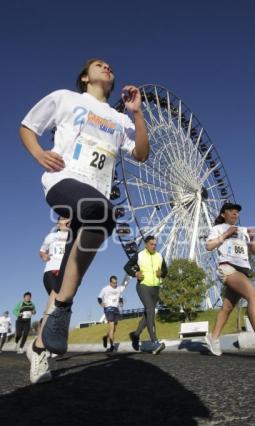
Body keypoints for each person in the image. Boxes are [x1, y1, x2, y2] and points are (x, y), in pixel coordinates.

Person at [20, 58, 149, 383]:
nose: (107, 67)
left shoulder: (120, 119)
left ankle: (39, 347)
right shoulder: (67, 98)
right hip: (63, 180)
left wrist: (136, 113)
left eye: (110, 66)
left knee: (68, 274)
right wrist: (38, 153)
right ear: (84, 76)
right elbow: (28, 127)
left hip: (97, 194)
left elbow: (141, 154)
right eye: (98, 64)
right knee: (101, 212)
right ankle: (63, 309)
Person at [205, 203, 255, 356]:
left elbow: (254, 252)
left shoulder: (243, 231)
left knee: (227, 308)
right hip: (228, 267)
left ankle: (213, 338)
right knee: (253, 296)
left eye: (237, 212)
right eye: (231, 211)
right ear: (223, 214)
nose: (235, 214)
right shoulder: (218, 229)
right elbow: (209, 246)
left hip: (243, 270)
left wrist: (252, 238)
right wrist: (225, 234)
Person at [124, 235, 168, 354]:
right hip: (143, 286)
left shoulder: (159, 256)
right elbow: (126, 267)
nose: (154, 246)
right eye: (151, 244)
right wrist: (135, 274)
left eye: (155, 244)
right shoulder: (139, 255)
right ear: (146, 244)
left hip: (156, 288)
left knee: (148, 312)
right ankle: (154, 342)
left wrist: (162, 273)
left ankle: (136, 335)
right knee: (150, 310)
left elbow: (165, 271)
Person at [40, 217, 70, 295]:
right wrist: (44, 256)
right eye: (63, 219)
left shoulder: (74, 237)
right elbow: (42, 251)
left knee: (64, 303)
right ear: (58, 224)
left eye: (68, 219)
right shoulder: (51, 236)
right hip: (52, 270)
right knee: (55, 298)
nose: (67, 220)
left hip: (67, 273)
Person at [98, 275, 124, 352]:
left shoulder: (119, 289)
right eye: (113, 283)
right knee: (112, 328)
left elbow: (120, 297)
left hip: (116, 309)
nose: (115, 284)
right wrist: (102, 304)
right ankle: (112, 346)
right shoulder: (105, 289)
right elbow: (99, 298)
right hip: (108, 309)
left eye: (116, 283)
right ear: (110, 282)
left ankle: (105, 337)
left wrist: (121, 303)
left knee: (114, 329)